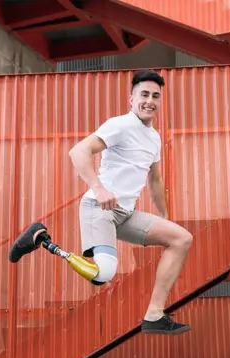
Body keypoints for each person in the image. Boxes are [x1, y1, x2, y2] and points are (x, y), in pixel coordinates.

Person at [68, 69, 193, 335]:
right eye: (144, 94)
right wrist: (98, 188)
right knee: (104, 273)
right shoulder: (119, 125)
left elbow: (155, 180)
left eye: (155, 96)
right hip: (99, 208)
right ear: (131, 98)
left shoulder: (154, 137)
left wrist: (164, 216)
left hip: (125, 214)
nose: (150, 100)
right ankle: (43, 240)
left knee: (181, 239)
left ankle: (154, 315)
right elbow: (78, 151)